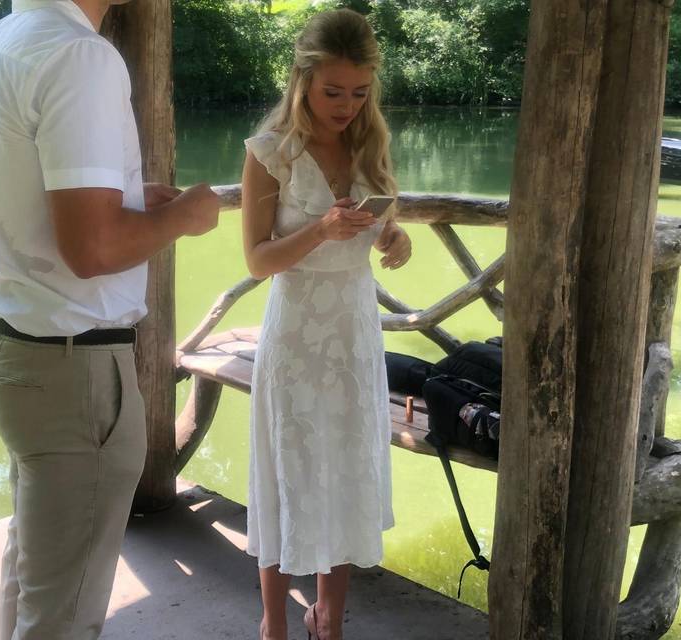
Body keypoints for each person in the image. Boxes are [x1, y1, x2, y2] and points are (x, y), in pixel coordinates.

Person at [0, 1, 219, 638]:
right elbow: (92, 249)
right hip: (77, 373)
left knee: (36, 584)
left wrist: (129, 202)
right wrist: (183, 217)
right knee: (64, 616)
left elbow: (32, 205)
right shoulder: (81, 55)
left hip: (19, 353)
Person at [241, 9, 412, 640]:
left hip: (354, 330)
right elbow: (258, 261)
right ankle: (273, 623)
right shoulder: (270, 151)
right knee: (288, 469)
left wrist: (393, 239)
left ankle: (330, 620)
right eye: (332, 91)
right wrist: (318, 230)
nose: (346, 105)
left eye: (360, 92)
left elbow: (379, 222)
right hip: (295, 331)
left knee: (343, 467)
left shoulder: (371, 144)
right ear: (303, 81)